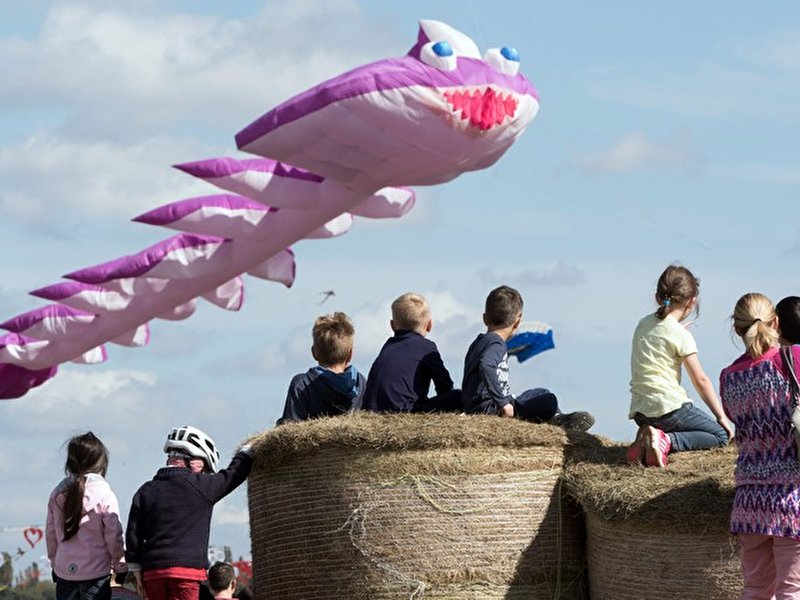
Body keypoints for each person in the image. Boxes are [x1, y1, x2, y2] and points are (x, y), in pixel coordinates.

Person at [720, 292, 800, 599]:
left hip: (749, 501)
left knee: (755, 590)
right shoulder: (793, 359)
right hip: (790, 497)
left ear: (737, 328)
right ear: (776, 322)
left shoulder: (729, 377)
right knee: (791, 591)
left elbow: (733, 417)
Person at [125, 426, 252, 600]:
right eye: (205, 466)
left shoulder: (145, 491)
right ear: (193, 460)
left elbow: (133, 533)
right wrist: (247, 450)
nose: (206, 473)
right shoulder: (201, 486)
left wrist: (135, 568)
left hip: (152, 572)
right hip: (186, 572)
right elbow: (233, 475)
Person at [626, 264, 733, 467]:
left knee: (676, 425)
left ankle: (647, 439)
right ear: (692, 302)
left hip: (641, 411)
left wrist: (676, 331)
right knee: (719, 437)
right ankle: (667, 440)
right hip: (669, 409)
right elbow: (700, 380)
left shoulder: (643, 324)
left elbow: (661, 335)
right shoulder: (680, 335)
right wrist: (721, 417)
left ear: (658, 297)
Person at [461, 285, 594, 430]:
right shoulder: (496, 343)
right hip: (492, 410)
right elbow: (486, 365)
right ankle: (558, 422)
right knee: (549, 400)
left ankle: (557, 418)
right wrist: (503, 403)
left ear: (484, 318)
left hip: (491, 404)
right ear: (517, 322)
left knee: (540, 392)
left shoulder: (479, 342)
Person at [45, 432, 126, 600]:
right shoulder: (105, 494)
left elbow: (51, 535)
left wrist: (55, 563)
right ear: (101, 463)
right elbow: (113, 534)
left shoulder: (57, 493)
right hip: (96, 574)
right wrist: (120, 565)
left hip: (64, 572)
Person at [362, 292, 461, 413]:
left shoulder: (388, 346)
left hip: (373, 410)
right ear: (429, 325)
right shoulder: (426, 347)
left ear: (392, 325)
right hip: (404, 411)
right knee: (458, 396)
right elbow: (445, 385)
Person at [277, 312, 365, 424]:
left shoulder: (302, 385)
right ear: (350, 354)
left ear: (314, 353)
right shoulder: (360, 384)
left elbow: (289, 429)